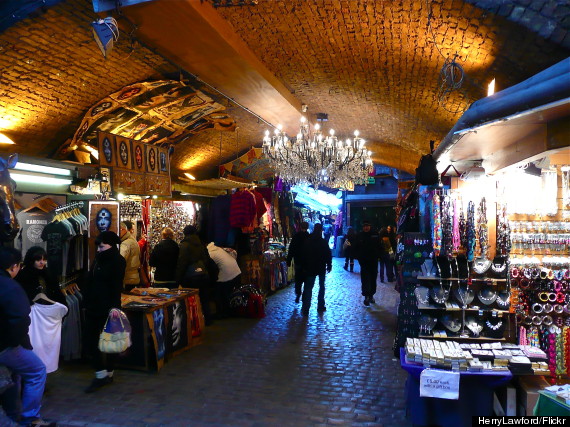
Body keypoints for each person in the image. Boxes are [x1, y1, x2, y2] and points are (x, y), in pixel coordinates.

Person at [0, 246, 55, 427]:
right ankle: (30, 418)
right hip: (6, 345)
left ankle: (15, 413)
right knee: (37, 370)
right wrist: (18, 343)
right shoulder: (10, 286)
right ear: (14, 266)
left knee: (16, 374)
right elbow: (20, 318)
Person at [83, 231, 126, 393]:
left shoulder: (116, 261)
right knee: (91, 342)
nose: (99, 249)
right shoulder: (99, 260)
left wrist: (114, 309)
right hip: (94, 307)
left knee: (109, 343)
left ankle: (106, 373)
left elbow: (115, 287)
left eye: (102, 246)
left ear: (110, 245)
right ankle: (103, 373)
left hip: (107, 308)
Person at [176, 225, 213, 325]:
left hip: (191, 276)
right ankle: (208, 320)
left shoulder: (185, 245)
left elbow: (182, 262)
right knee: (204, 298)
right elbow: (206, 259)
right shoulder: (201, 244)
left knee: (192, 300)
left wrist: (178, 278)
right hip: (203, 274)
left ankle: (194, 322)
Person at [301, 223, 332, 315]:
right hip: (321, 267)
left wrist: (304, 266)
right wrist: (329, 265)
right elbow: (328, 254)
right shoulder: (323, 242)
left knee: (308, 287)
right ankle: (320, 306)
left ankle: (306, 307)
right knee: (321, 286)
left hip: (310, 267)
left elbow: (304, 254)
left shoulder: (308, 241)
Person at [206, 242, 241, 318]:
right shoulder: (218, 249)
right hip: (236, 271)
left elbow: (210, 267)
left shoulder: (210, 254)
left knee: (218, 293)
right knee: (227, 293)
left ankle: (222, 313)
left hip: (227, 274)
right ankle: (229, 310)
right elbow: (234, 252)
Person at [354, 220, 380, 306]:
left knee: (373, 278)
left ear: (370, 226)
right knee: (365, 279)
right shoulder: (359, 235)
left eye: (367, 226)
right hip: (364, 262)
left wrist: (379, 256)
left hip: (373, 261)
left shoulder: (375, 235)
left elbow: (380, 246)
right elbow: (356, 248)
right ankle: (366, 296)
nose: (366, 227)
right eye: (364, 226)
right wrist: (359, 258)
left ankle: (371, 295)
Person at [286, 221, 310, 303]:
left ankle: (298, 293)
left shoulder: (296, 236)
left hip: (298, 261)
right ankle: (304, 295)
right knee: (306, 279)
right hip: (307, 262)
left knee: (298, 278)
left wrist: (289, 260)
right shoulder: (309, 237)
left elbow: (291, 249)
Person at [119, 221, 141, 292]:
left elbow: (120, 261)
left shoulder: (126, 244)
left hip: (128, 279)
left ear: (122, 229)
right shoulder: (131, 240)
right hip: (132, 277)